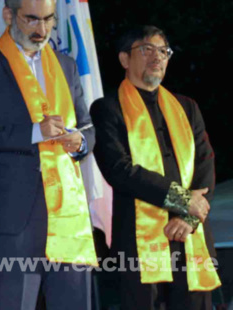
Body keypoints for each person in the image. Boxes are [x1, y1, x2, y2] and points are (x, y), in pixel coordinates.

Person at [0, 0, 96, 309]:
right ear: (9, 15)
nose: (42, 29)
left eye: (49, 19)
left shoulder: (64, 65)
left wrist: (80, 143)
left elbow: (88, 127)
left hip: (67, 210)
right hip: (15, 212)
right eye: (32, 19)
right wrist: (36, 133)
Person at [90, 26, 220, 309]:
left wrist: (189, 218)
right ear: (125, 59)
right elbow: (120, 170)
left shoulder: (187, 108)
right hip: (137, 242)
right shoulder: (107, 109)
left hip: (190, 236)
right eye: (146, 49)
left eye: (163, 51)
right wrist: (185, 200)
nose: (157, 57)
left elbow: (205, 168)